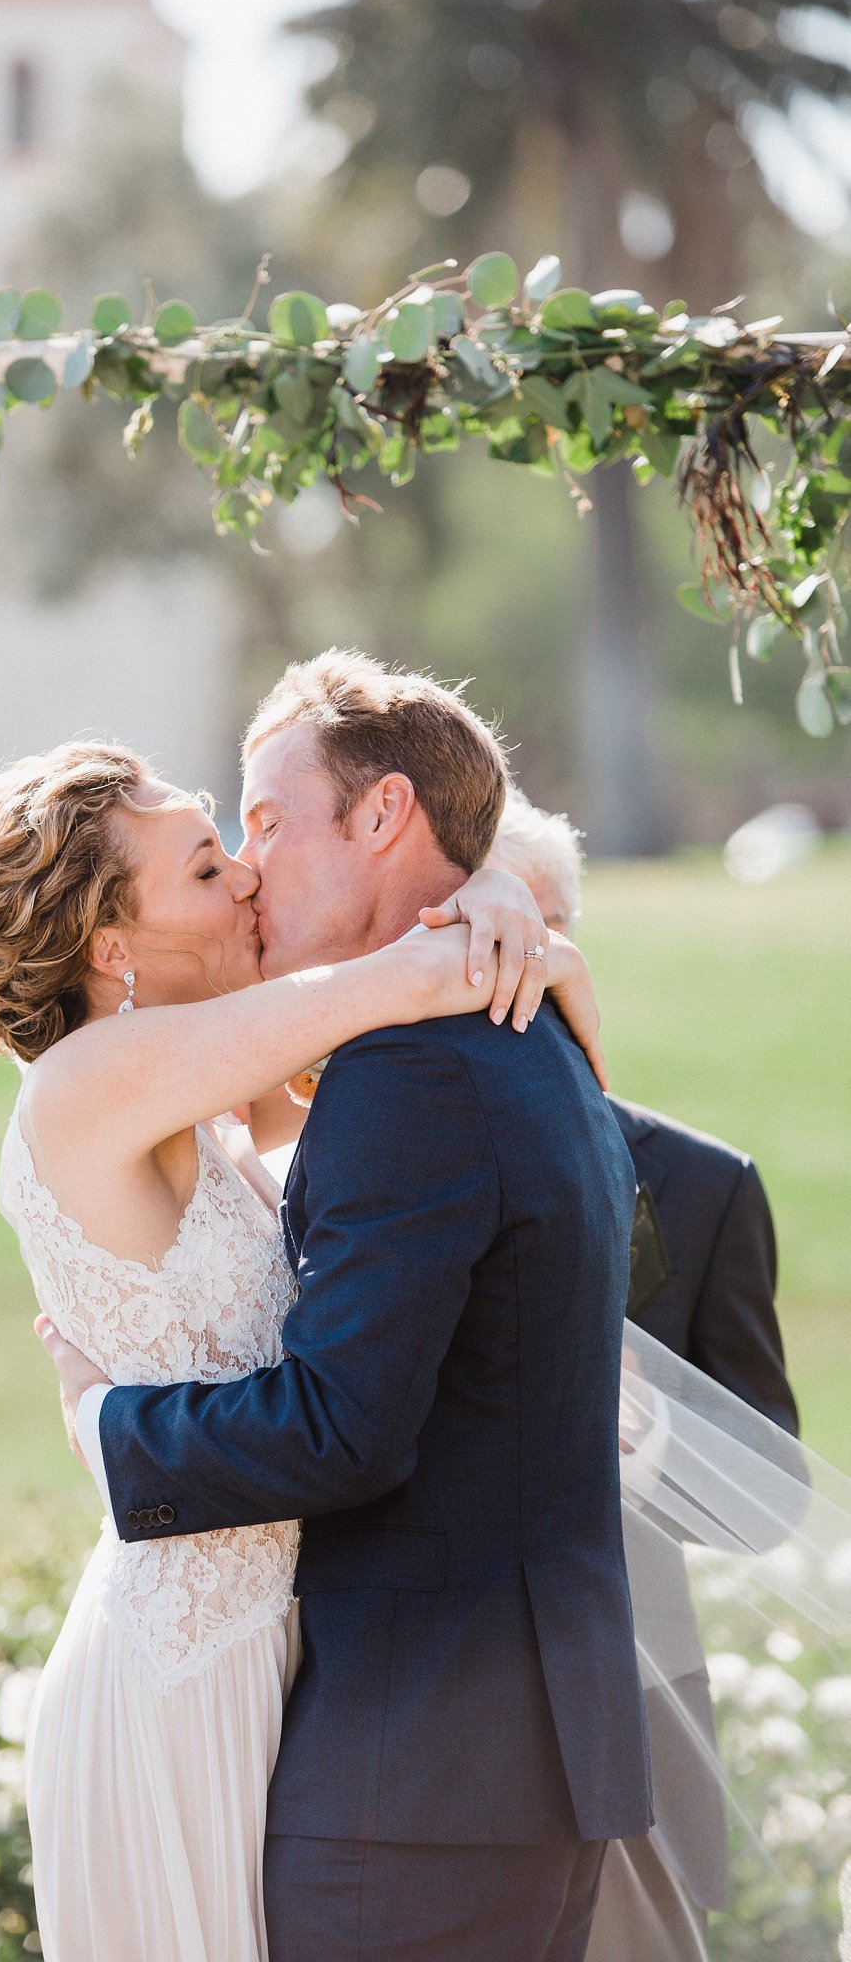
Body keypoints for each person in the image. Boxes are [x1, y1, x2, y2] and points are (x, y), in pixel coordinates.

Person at [0, 677, 611, 1962]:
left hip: (295, 1658)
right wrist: (485, 913)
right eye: (206, 863)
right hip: (183, 1668)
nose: (246, 877)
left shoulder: (218, 1093)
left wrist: (507, 905)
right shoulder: (88, 1081)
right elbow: (379, 990)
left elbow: (415, 1098)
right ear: (112, 947)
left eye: (244, 838)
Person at [489, 790, 802, 1956]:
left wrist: (652, 1438)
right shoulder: (331, 1158)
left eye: (524, 928)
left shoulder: (701, 1182)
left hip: (631, 1699)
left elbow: (772, 1493)